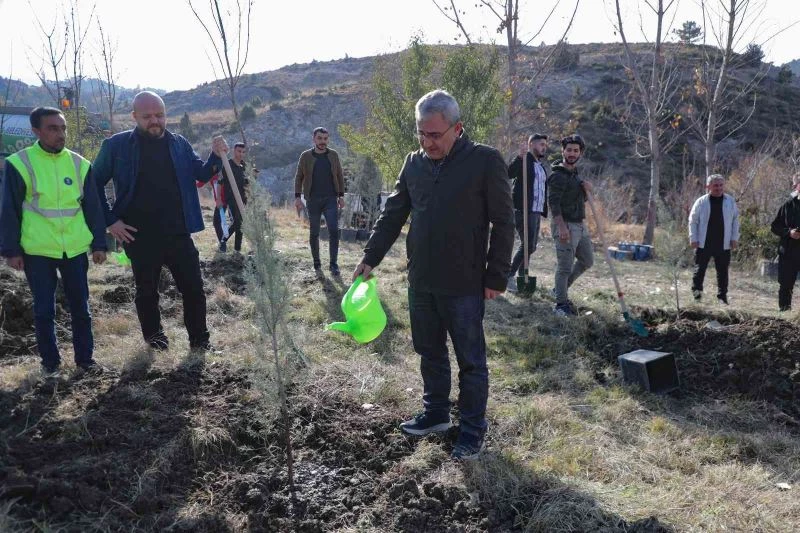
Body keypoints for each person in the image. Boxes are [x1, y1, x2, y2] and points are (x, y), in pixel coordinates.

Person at [352, 89, 514, 460]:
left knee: (471, 361)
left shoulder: (484, 161)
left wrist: (496, 276)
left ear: (457, 128)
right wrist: (370, 258)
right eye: (421, 134)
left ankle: (471, 430)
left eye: (435, 135)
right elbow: (393, 214)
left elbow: (504, 222)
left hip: (465, 282)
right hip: (422, 279)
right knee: (429, 351)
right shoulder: (413, 164)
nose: (427, 143)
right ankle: (437, 413)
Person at [93, 91, 227, 351]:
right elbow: (93, 183)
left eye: (160, 115)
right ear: (134, 116)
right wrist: (110, 220)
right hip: (138, 234)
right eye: (147, 116)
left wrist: (215, 155)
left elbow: (201, 174)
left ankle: (200, 342)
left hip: (178, 232)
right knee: (146, 292)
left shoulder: (179, 144)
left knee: (194, 289)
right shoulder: (116, 146)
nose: (155, 121)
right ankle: (156, 343)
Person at [0, 106, 107, 375]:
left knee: (81, 309)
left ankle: (85, 361)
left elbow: (93, 208)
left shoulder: (80, 164)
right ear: (36, 131)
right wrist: (11, 250)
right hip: (37, 250)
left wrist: (99, 244)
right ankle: (50, 365)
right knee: (44, 311)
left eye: (63, 128)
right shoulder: (19, 163)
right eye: (53, 128)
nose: (61, 134)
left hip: (74, 249)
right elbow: (9, 210)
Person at [547, 134, 593, 316]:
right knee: (565, 267)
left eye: (575, 150)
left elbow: (579, 201)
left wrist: (586, 190)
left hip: (579, 225)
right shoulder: (558, 176)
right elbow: (553, 203)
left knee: (587, 260)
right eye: (569, 150)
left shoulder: (575, 175)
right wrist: (561, 227)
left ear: (580, 153)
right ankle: (560, 305)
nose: (572, 153)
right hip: (565, 225)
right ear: (563, 151)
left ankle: (559, 290)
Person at [293, 127, 345, 276]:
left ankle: (333, 264)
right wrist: (297, 197)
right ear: (314, 139)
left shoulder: (333, 155)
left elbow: (340, 175)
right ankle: (317, 263)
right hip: (313, 199)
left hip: (330, 199)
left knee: (334, 231)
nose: (323, 141)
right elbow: (299, 177)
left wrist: (341, 196)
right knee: (314, 232)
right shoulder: (305, 156)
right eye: (320, 138)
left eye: (325, 138)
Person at [688, 174, 739, 305]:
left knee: (723, 273)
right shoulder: (701, 202)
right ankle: (697, 296)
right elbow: (693, 221)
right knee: (699, 271)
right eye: (715, 185)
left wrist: (734, 238)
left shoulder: (730, 201)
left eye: (721, 185)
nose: (719, 188)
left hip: (723, 243)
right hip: (703, 242)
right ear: (708, 186)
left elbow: (735, 221)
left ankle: (722, 298)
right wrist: (693, 238)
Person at [507, 133, 550, 289]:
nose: (544, 148)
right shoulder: (525, 160)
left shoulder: (540, 166)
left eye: (545, 145)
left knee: (531, 246)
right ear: (531, 144)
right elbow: (509, 173)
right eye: (541, 144)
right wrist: (519, 157)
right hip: (524, 209)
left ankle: (522, 277)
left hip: (536, 211)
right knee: (527, 245)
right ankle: (508, 276)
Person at [770, 174, 800, 311]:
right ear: (795, 186)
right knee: (786, 284)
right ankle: (785, 312)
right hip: (788, 252)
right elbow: (774, 227)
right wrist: (789, 233)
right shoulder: (787, 206)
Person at [219, 142, 248, 252]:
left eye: (243, 152)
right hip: (231, 198)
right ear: (234, 150)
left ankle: (237, 250)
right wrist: (218, 199)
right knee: (236, 222)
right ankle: (223, 240)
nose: (241, 154)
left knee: (241, 223)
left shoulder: (244, 166)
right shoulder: (227, 165)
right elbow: (220, 182)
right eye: (239, 151)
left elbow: (247, 183)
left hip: (243, 199)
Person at [196, 172, 229, 252]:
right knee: (217, 222)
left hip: (229, 202)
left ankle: (224, 244)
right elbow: (200, 184)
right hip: (221, 203)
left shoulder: (226, 173)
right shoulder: (212, 175)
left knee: (228, 223)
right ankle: (223, 244)